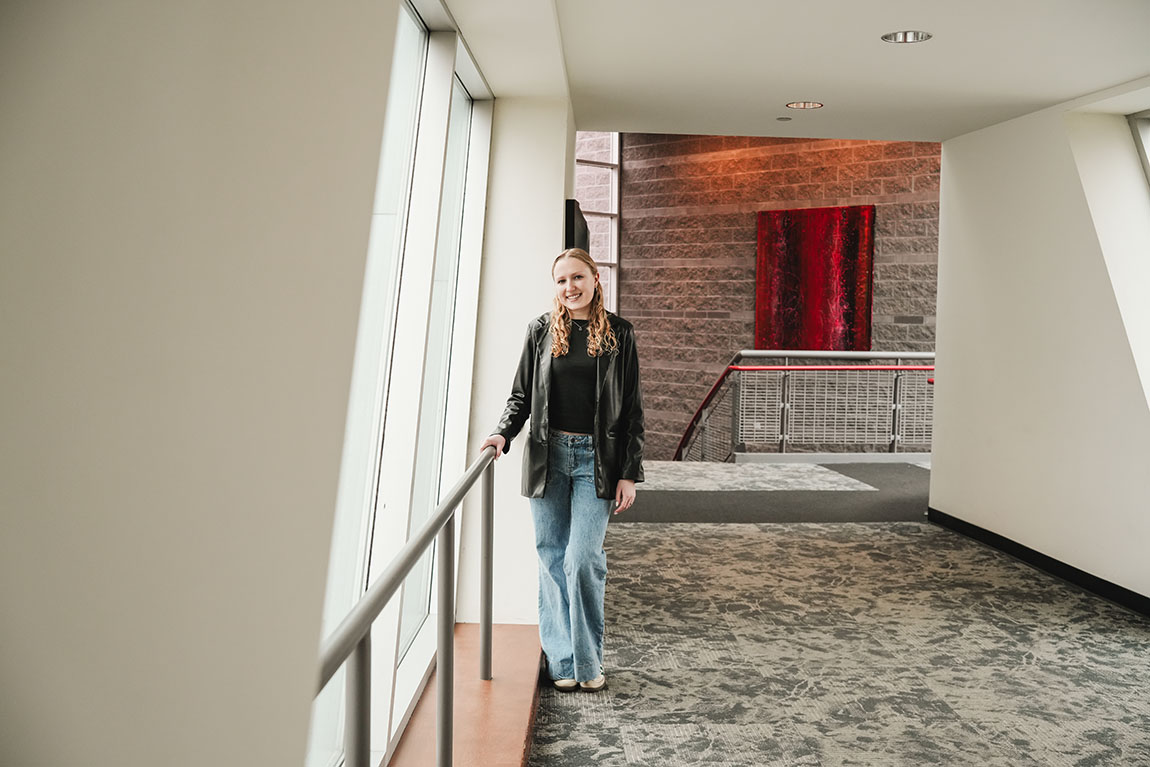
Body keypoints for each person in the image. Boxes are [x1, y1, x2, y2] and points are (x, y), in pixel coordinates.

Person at [481, 248, 645, 693]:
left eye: (577, 277)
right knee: (551, 556)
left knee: (583, 558)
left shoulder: (619, 334)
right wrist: (502, 434)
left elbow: (631, 411)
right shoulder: (540, 330)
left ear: (594, 278)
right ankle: (563, 660)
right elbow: (521, 396)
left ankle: (589, 661)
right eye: (560, 281)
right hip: (548, 456)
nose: (569, 287)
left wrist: (628, 472)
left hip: (597, 460)